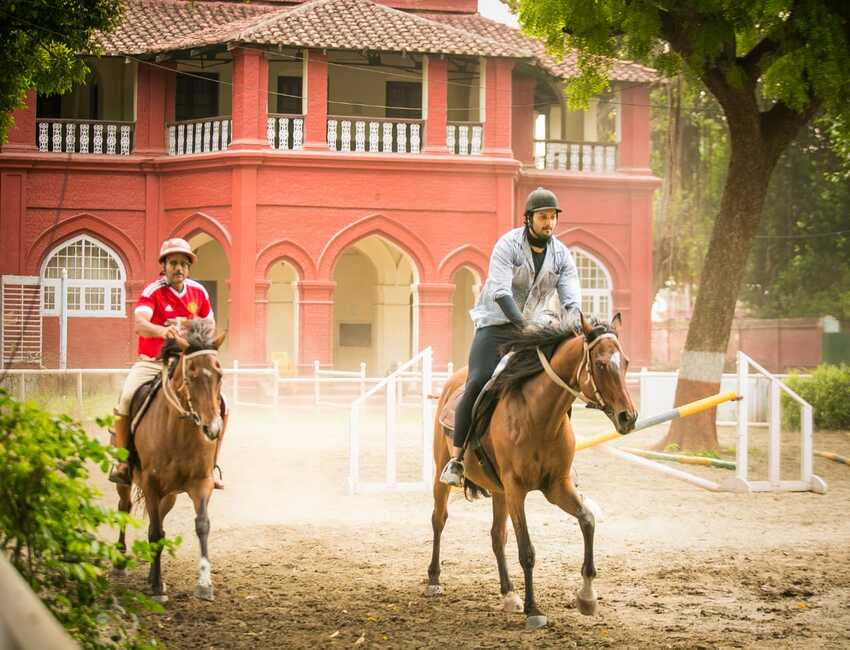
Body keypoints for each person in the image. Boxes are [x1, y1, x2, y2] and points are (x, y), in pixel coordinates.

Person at [439, 187, 582, 486]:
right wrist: (522, 326)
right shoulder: (507, 245)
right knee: (478, 380)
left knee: (560, 380)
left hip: (538, 327)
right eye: (543, 217)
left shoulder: (562, 255)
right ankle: (456, 458)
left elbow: (571, 300)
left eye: (553, 217)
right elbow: (501, 291)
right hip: (496, 325)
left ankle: (565, 457)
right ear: (529, 218)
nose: (549, 223)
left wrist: (573, 325)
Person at [108, 237, 225, 489]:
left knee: (222, 403)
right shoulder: (153, 291)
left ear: (189, 267)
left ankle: (212, 466)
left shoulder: (199, 292)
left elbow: (210, 324)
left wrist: (190, 329)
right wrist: (163, 331)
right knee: (127, 397)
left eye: (183, 263)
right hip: (153, 361)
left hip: (187, 362)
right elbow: (140, 324)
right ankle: (123, 462)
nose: (178, 268)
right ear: (164, 265)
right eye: (173, 263)